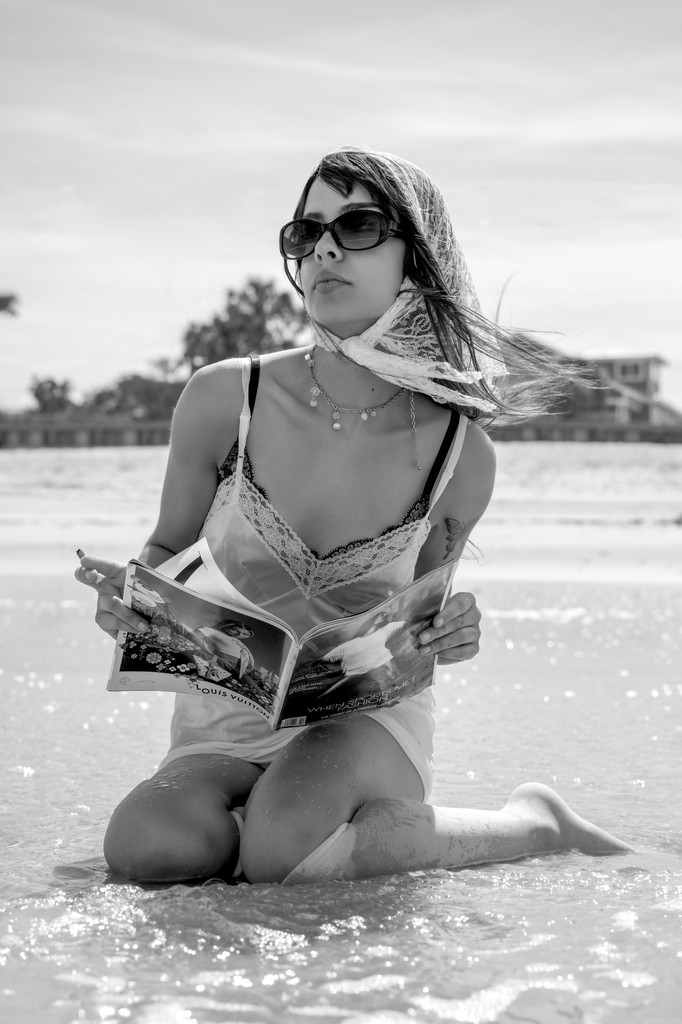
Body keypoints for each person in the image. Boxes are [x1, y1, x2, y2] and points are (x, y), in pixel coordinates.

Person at [76, 147, 630, 885]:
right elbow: (167, 547)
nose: (325, 250)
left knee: (284, 841)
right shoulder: (223, 400)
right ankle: (286, 833)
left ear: (417, 260)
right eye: (306, 233)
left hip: (365, 728)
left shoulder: (461, 455)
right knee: (146, 845)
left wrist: (451, 633)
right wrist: (136, 600)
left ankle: (534, 823)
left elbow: (421, 623)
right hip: (226, 720)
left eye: (359, 225)